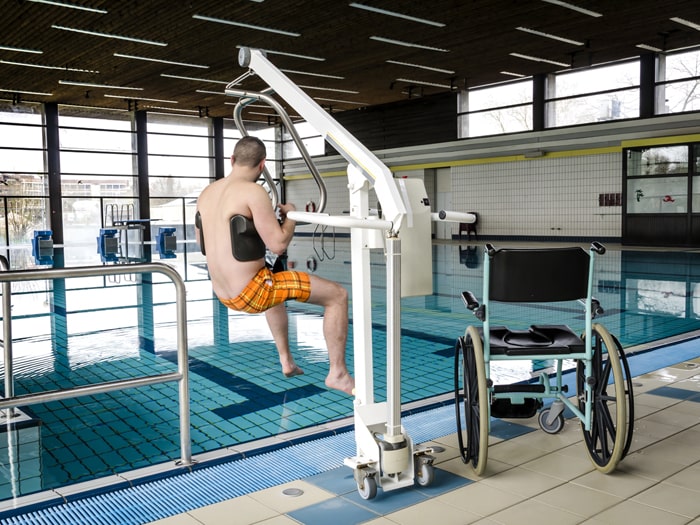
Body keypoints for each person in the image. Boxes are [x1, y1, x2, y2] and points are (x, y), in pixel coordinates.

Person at [195, 136, 354, 395]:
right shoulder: (253, 192)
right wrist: (289, 216)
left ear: (232, 160)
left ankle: (287, 361)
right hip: (252, 292)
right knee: (337, 295)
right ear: (262, 165)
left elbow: (202, 242)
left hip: (222, 292)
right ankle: (338, 373)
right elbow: (279, 244)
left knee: (274, 281)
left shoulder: (208, 192)